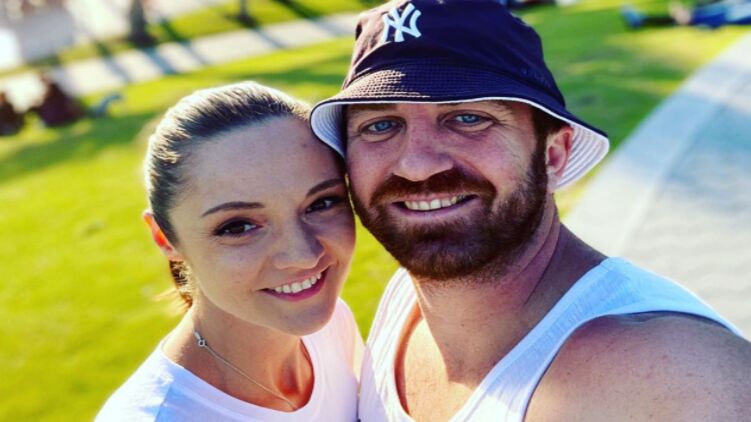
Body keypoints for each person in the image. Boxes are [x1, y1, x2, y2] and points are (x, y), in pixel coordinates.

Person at [309, 1, 751, 420]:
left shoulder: (676, 378)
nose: (418, 165)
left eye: (468, 118)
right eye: (381, 125)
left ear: (553, 155)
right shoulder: (406, 301)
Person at [97, 81, 362, 421]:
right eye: (238, 226)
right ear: (165, 238)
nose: (303, 255)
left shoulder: (332, 325)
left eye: (322, 203)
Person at [621, 0, 751, 29]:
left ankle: (640, 20)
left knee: (690, 16)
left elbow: (732, 15)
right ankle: (641, 20)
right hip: (726, 10)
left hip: (724, 13)